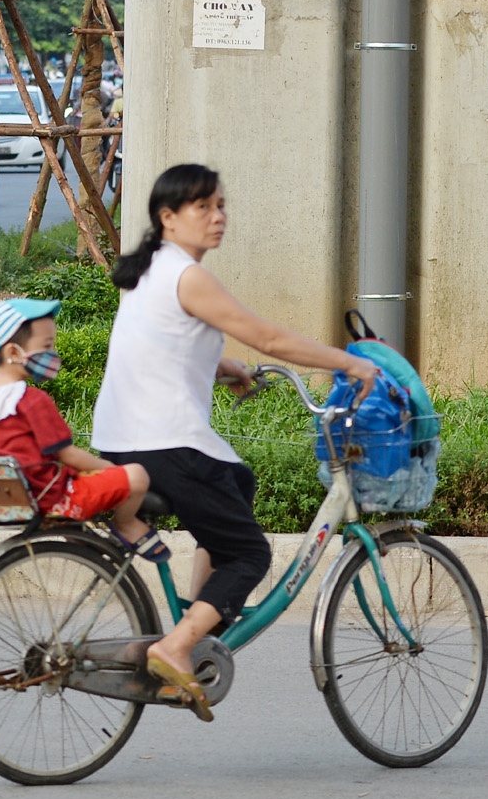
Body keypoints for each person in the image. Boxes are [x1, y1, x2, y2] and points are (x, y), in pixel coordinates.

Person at [89, 163, 381, 722]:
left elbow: (159, 341)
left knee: (237, 481)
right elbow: (269, 336)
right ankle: (176, 647)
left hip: (123, 439)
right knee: (250, 553)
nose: (218, 217)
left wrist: (222, 365)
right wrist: (350, 362)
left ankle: (200, 625)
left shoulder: (151, 270)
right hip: (165, 442)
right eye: (203, 207)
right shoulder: (188, 276)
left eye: (221, 205)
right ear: (167, 218)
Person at [0, 294, 157, 542]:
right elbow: (69, 455)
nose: (52, 353)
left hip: (16, 501)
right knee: (136, 475)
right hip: (54, 499)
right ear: (13, 351)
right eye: (46, 346)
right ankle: (127, 525)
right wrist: (114, 472)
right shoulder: (31, 401)